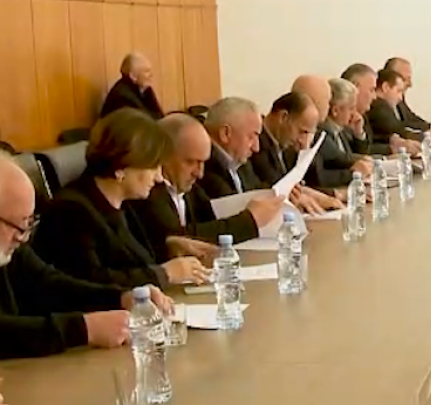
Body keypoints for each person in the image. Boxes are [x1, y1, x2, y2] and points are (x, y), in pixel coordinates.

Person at [0, 153, 170, 359]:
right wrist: (84, 329)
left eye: (29, 224)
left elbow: (48, 285)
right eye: (19, 226)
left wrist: (120, 298)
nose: (24, 238)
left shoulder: (12, 247)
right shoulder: (72, 209)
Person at [32, 110, 211, 289]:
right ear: (121, 168)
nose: (158, 177)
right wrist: (164, 273)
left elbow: (130, 260)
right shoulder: (70, 213)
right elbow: (89, 283)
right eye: (152, 167)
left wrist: (167, 247)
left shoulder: (126, 203)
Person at [129, 113, 282, 255]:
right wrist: (249, 220)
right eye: (191, 162)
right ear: (164, 156)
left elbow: (212, 221)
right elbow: (178, 237)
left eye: (203, 162)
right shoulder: (147, 192)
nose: (200, 173)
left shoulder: (190, 187)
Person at [251, 92, 344, 214]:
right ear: (284, 117)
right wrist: (297, 197)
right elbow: (274, 188)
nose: (302, 140)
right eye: (302, 132)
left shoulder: (285, 142)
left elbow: (302, 183)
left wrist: (327, 195)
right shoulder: (257, 144)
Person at [308, 77, 373, 190]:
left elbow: (356, 156)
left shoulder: (343, 129)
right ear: (335, 111)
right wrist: (355, 171)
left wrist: (358, 133)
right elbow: (339, 159)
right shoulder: (320, 132)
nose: (355, 113)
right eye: (351, 108)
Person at [367, 69, 423, 156]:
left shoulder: (386, 106)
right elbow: (398, 129)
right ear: (385, 87)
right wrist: (426, 136)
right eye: (398, 91)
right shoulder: (377, 106)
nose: (400, 97)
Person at [382, 57, 431, 139]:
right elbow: (398, 128)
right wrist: (428, 135)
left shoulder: (399, 100)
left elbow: (411, 119)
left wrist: (430, 127)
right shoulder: (379, 105)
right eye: (407, 79)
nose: (410, 84)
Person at [100, 52, 165, 119]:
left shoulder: (145, 90)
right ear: (133, 76)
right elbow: (145, 120)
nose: (151, 75)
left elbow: (160, 116)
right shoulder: (122, 96)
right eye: (146, 71)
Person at [341, 63, 386, 155]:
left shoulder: (362, 116)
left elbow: (366, 149)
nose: (374, 97)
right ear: (354, 88)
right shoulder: (336, 118)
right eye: (371, 90)